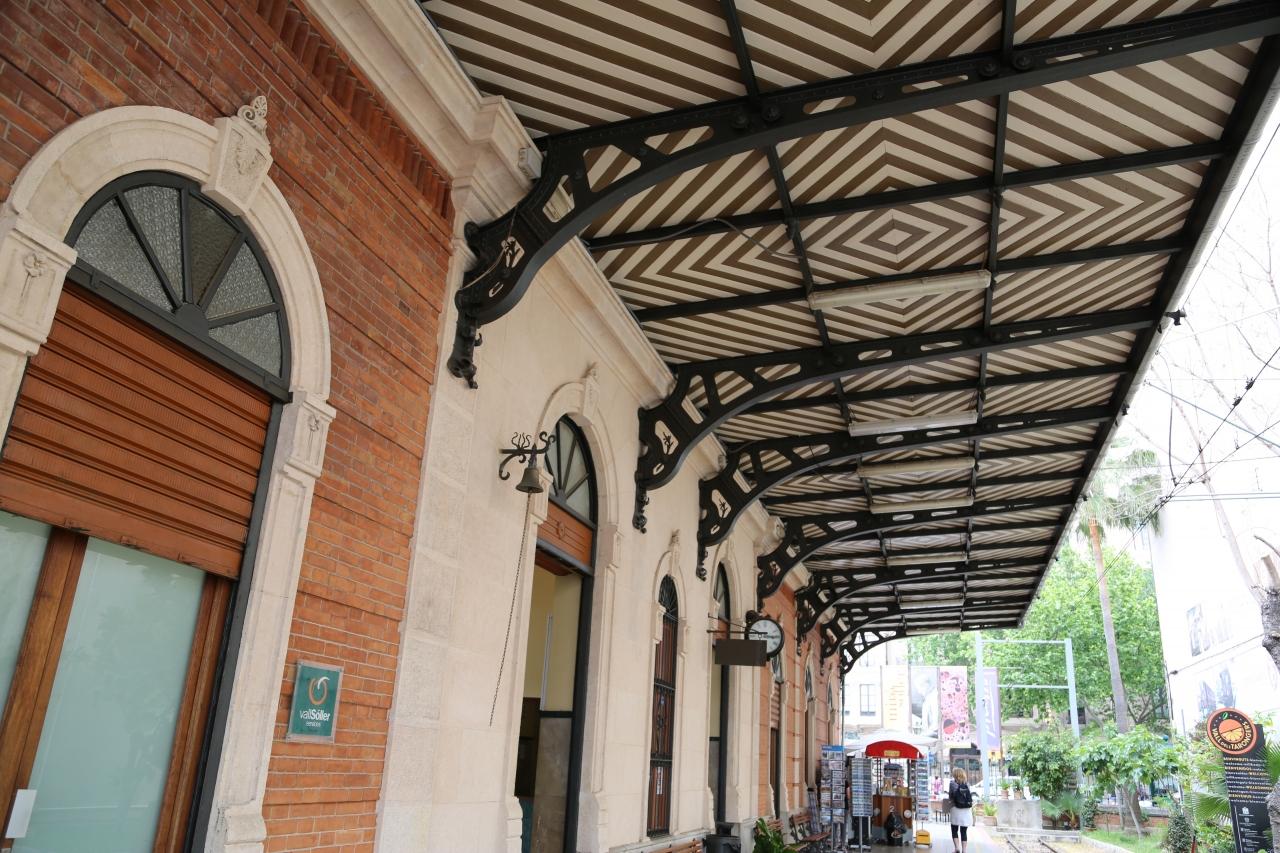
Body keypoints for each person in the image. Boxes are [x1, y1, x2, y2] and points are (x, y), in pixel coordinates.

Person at [948, 768, 974, 853]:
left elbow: (950, 796)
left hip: (956, 809)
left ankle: (957, 848)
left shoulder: (952, 784)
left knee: (954, 829)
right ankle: (964, 850)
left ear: (955, 775)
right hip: (966, 811)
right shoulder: (967, 784)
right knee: (964, 831)